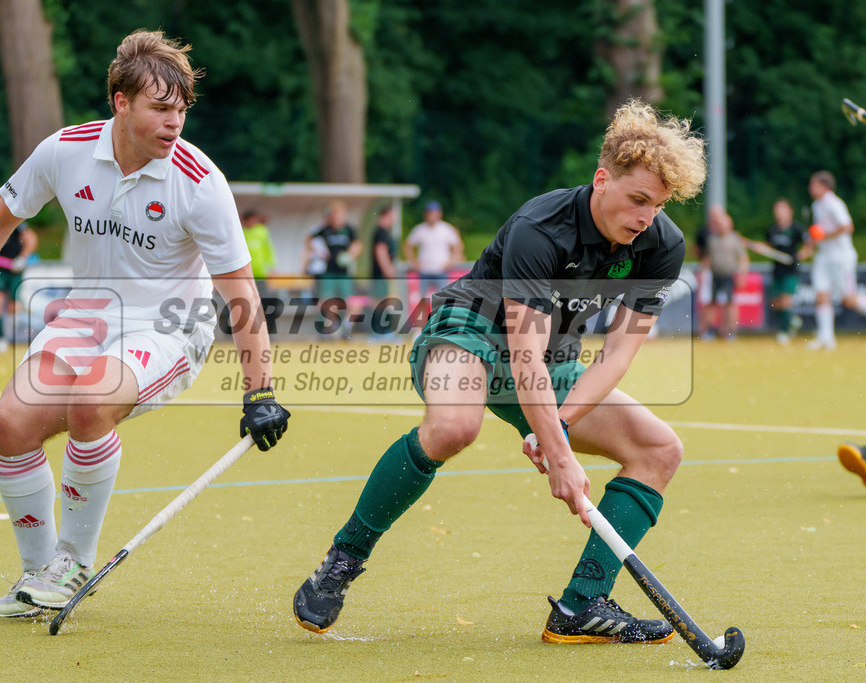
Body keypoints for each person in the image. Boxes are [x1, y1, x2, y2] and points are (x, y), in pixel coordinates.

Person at [0, 30, 290, 620]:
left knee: (90, 397)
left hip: (170, 328)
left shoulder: (201, 183)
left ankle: (73, 561)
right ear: (120, 103)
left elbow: (240, 290)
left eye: (181, 109)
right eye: (160, 108)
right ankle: (38, 576)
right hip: (88, 317)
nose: (174, 123)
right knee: (11, 421)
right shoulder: (64, 152)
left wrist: (261, 390)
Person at [292, 99, 706, 645]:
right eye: (637, 200)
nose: (645, 218)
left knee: (659, 449)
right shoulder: (543, 227)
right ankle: (343, 559)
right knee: (454, 428)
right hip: (469, 329)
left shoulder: (661, 245)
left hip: (553, 356)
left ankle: (582, 607)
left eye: (656, 206)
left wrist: (557, 422)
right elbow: (522, 350)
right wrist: (558, 454)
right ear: (602, 179)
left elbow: (617, 354)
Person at [806, 170, 866, 350]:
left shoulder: (834, 203)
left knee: (849, 299)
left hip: (841, 258)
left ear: (824, 186)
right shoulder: (816, 206)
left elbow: (847, 227)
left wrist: (824, 236)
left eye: (813, 184)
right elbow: (819, 233)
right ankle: (826, 338)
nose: (810, 188)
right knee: (821, 294)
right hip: (824, 256)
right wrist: (814, 242)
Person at [0, 191, 39, 352]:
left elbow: (30, 238)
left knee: (13, 306)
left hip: (15, 268)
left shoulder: (13, 216)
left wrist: (22, 258)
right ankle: (1, 338)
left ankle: (10, 336)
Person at [306, 200, 361, 334]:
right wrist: (318, 253)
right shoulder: (325, 229)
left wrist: (350, 255)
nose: (337, 216)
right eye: (335, 213)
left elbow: (358, 245)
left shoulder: (349, 229)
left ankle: (346, 327)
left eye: (340, 213)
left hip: (344, 273)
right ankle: (333, 327)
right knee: (327, 301)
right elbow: (308, 240)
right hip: (329, 272)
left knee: (349, 302)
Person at [759, 198, 810, 343]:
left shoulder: (796, 228)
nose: (779, 213)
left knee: (786, 300)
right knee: (775, 303)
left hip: (791, 270)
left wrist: (799, 256)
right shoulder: (772, 229)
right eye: (777, 209)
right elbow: (768, 246)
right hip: (777, 270)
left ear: (790, 212)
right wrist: (761, 247)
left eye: (782, 209)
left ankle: (784, 332)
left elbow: (808, 246)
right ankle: (792, 320)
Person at [696, 206, 748, 341]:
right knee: (711, 303)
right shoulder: (711, 239)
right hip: (715, 275)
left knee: (730, 304)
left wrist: (742, 275)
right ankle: (708, 330)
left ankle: (730, 331)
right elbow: (707, 258)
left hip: (729, 275)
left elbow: (743, 259)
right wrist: (703, 273)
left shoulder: (735, 238)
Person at [404, 200, 464, 300]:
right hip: (424, 270)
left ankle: (441, 316)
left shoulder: (446, 229)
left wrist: (452, 260)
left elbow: (458, 246)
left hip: (441, 270)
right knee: (422, 299)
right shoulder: (420, 229)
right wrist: (413, 261)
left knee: (442, 299)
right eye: (430, 213)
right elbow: (408, 245)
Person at [369, 205, 399, 338]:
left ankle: (383, 331)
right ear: (388, 214)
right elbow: (380, 251)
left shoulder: (384, 231)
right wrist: (388, 269)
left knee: (384, 301)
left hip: (382, 274)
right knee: (380, 301)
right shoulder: (381, 231)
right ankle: (380, 331)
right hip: (380, 274)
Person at [241, 209, 277, 302]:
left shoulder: (262, 231)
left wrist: (272, 266)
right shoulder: (241, 232)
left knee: (262, 297)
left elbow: (268, 249)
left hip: (260, 272)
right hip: (245, 272)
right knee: (245, 298)